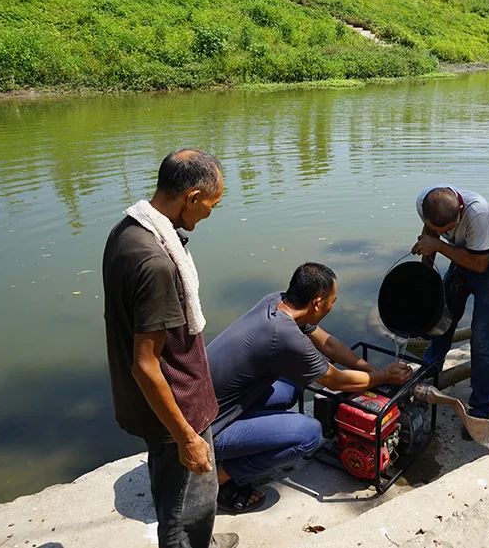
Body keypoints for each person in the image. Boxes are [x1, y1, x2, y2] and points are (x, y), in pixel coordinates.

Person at [103, 149, 238, 548]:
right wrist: (186, 437)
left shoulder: (127, 231)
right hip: (176, 406)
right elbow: (146, 365)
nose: (209, 215)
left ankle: (201, 541)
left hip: (166, 400)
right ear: (192, 197)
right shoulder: (157, 262)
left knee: (178, 494)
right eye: (211, 205)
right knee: (186, 505)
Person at [207, 262, 412, 514]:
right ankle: (220, 476)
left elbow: (329, 345)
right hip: (205, 431)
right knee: (309, 435)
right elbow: (333, 380)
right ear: (317, 302)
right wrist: (383, 378)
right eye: (332, 300)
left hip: (215, 405)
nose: (333, 305)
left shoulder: (275, 302)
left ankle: (243, 443)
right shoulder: (283, 335)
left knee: (291, 386)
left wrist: (371, 371)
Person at [411, 186, 489, 439]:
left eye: (447, 230)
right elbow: (429, 235)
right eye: (440, 231)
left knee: (483, 341)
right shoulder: (425, 201)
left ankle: (482, 408)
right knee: (440, 325)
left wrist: (439, 245)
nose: (443, 234)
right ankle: (425, 386)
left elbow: (479, 264)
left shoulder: (479, 214)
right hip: (460, 262)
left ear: (459, 214)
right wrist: (427, 276)